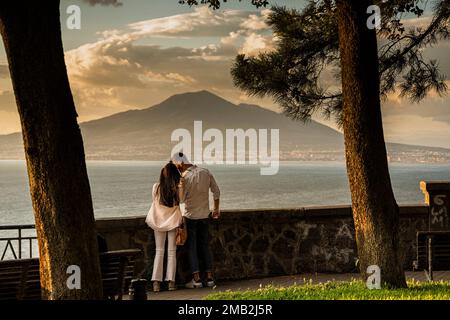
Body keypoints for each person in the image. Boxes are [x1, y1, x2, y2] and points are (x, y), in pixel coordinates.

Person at [171, 152, 221, 289]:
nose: (177, 169)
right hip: (205, 216)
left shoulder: (184, 177)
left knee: (192, 247)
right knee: (205, 246)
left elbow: (181, 200)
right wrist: (216, 209)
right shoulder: (206, 172)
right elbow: (216, 191)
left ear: (180, 163)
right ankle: (210, 278)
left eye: (176, 166)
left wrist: (180, 187)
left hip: (190, 217)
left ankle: (197, 280)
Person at [145, 162, 183, 292]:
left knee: (159, 251)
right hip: (172, 220)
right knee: (171, 252)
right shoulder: (177, 188)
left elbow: (154, 202)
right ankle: (171, 282)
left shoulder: (156, 187)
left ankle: (156, 282)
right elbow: (181, 201)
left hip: (157, 221)